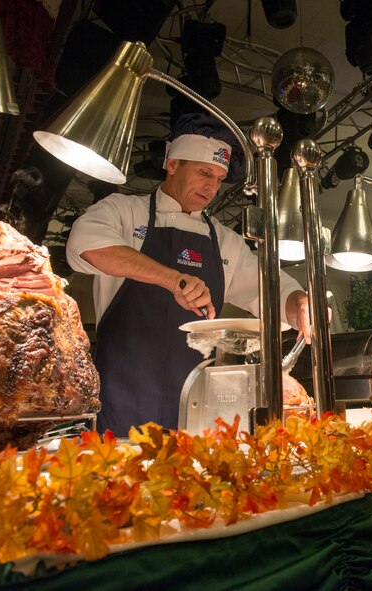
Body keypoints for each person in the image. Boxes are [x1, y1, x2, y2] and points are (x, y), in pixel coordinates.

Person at [67, 113, 310, 435]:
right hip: (123, 398)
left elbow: (270, 290)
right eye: (203, 172)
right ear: (173, 164)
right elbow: (84, 246)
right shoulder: (122, 211)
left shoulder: (226, 241)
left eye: (220, 178)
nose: (212, 186)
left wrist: (301, 305)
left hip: (197, 404)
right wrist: (172, 279)